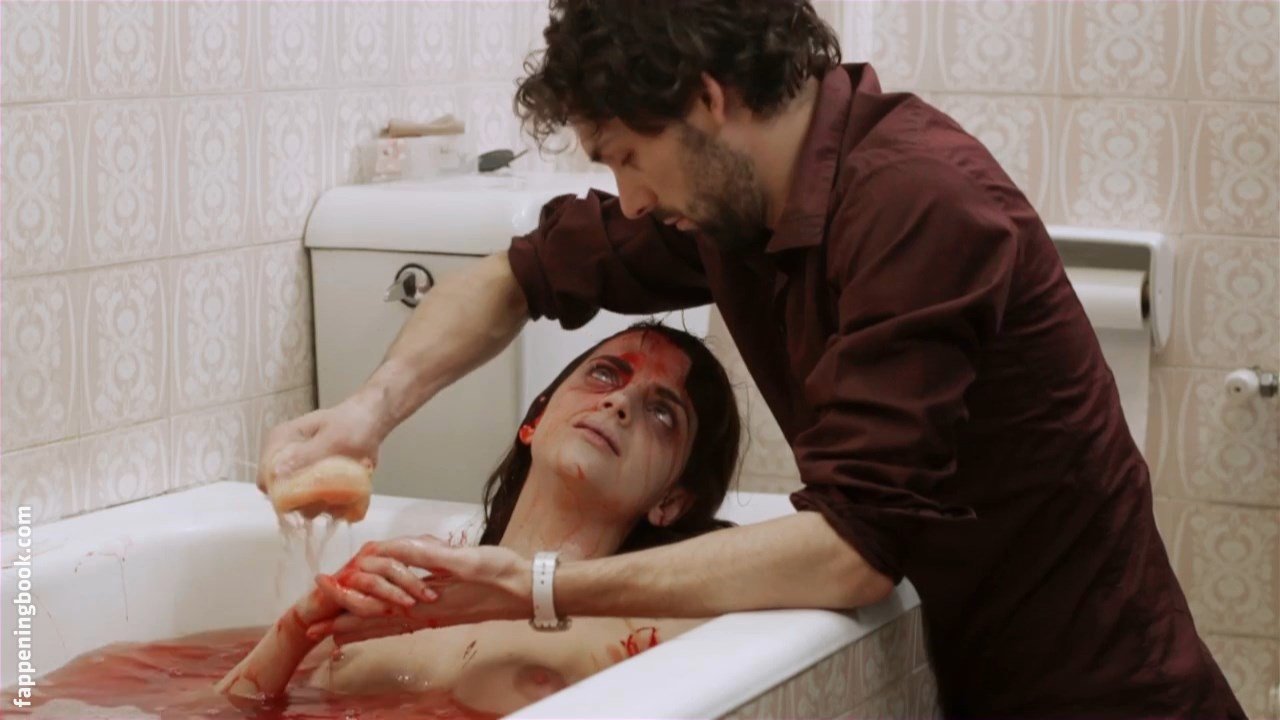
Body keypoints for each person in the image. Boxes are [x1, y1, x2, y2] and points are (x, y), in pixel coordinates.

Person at [261, 1, 1244, 717]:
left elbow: (852, 551)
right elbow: (514, 277)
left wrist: (536, 586)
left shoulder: (918, 203)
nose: (629, 198)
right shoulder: (735, 209)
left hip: (1105, 692)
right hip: (979, 668)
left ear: (705, 100)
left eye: (625, 155)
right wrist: (366, 414)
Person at [222, 323, 740, 716]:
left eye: (663, 413)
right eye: (606, 374)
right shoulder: (402, 606)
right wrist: (301, 626)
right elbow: (235, 709)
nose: (620, 401)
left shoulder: (653, 630)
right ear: (534, 420)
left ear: (671, 503)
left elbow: (766, 574)